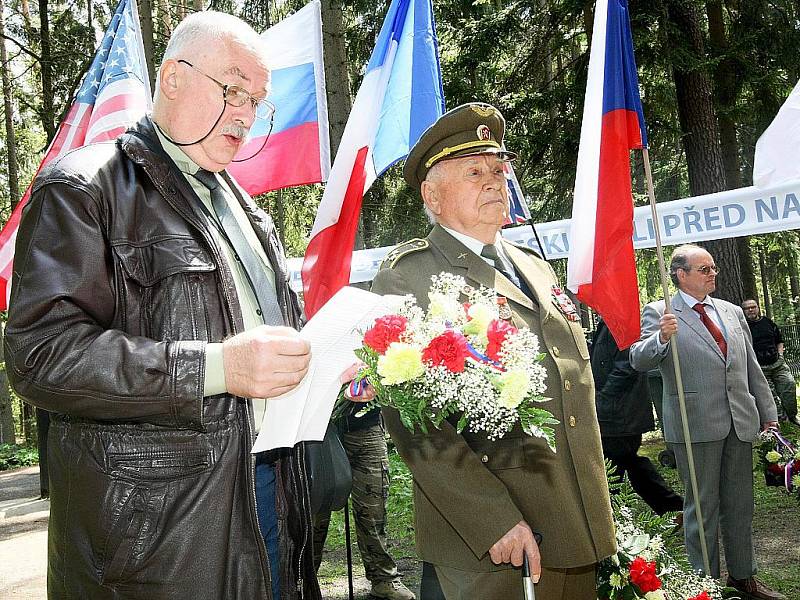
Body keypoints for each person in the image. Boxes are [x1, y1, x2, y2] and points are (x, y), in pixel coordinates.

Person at [5, 12, 321, 599]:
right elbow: (41, 355)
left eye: (257, 100)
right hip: (156, 538)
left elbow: (272, 330)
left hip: (267, 495)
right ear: (173, 77)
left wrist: (327, 364)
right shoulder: (83, 188)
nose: (247, 114)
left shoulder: (248, 213)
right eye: (232, 89)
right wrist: (218, 368)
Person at [370, 103, 616, 600]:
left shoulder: (535, 267)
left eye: (499, 169)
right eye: (474, 172)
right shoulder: (408, 277)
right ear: (432, 197)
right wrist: (493, 521)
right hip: (492, 543)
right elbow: (414, 422)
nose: (494, 181)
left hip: (572, 520)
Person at [630, 244, 784, 600]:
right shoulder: (660, 312)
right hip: (694, 424)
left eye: (713, 268)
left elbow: (750, 367)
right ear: (680, 274)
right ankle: (707, 586)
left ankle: (744, 578)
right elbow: (639, 359)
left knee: (740, 504)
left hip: (739, 421)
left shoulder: (731, 311)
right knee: (701, 508)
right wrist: (661, 337)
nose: (713, 273)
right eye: (704, 269)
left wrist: (769, 414)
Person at [312, 405, 415, 600]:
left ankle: (383, 579)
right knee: (316, 509)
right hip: (320, 429)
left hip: (367, 426)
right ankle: (305, 579)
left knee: (373, 508)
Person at [590, 318, 683, 515]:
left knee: (616, 467)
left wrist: (603, 399)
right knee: (628, 464)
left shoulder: (621, 323)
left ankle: (671, 509)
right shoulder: (607, 323)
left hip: (621, 413)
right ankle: (673, 509)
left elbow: (627, 365)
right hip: (616, 413)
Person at [741, 298, 799, 426]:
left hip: (778, 364)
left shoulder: (768, 322)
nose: (750, 310)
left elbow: (779, 340)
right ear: (743, 311)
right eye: (747, 308)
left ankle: (792, 417)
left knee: (789, 386)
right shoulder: (742, 327)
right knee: (769, 397)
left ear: (758, 308)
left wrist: (781, 355)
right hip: (760, 369)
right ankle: (779, 423)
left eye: (753, 306)